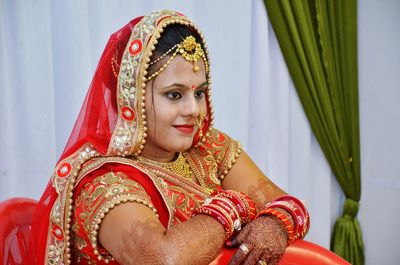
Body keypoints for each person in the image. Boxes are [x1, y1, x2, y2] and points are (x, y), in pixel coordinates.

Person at [30, 10, 309, 265]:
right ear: (131, 97)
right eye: (174, 95)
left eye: (198, 93)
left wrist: (274, 223)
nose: (193, 110)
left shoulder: (209, 147)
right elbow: (164, 261)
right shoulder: (104, 183)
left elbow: (288, 206)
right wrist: (235, 205)